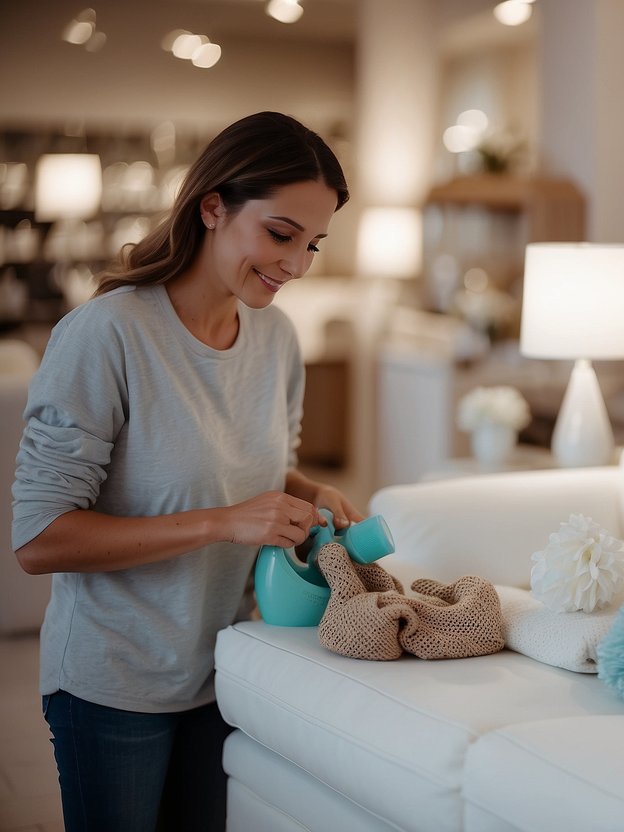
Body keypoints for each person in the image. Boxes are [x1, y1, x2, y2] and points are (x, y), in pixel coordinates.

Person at [11, 111, 364, 832]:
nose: (296, 265)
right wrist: (226, 523)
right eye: (280, 234)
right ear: (213, 208)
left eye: (313, 244)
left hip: (227, 670)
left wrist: (303, 490)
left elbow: (253, 459)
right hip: (114, 687)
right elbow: (39, 539)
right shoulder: (107, 335)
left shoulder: (275, 337)